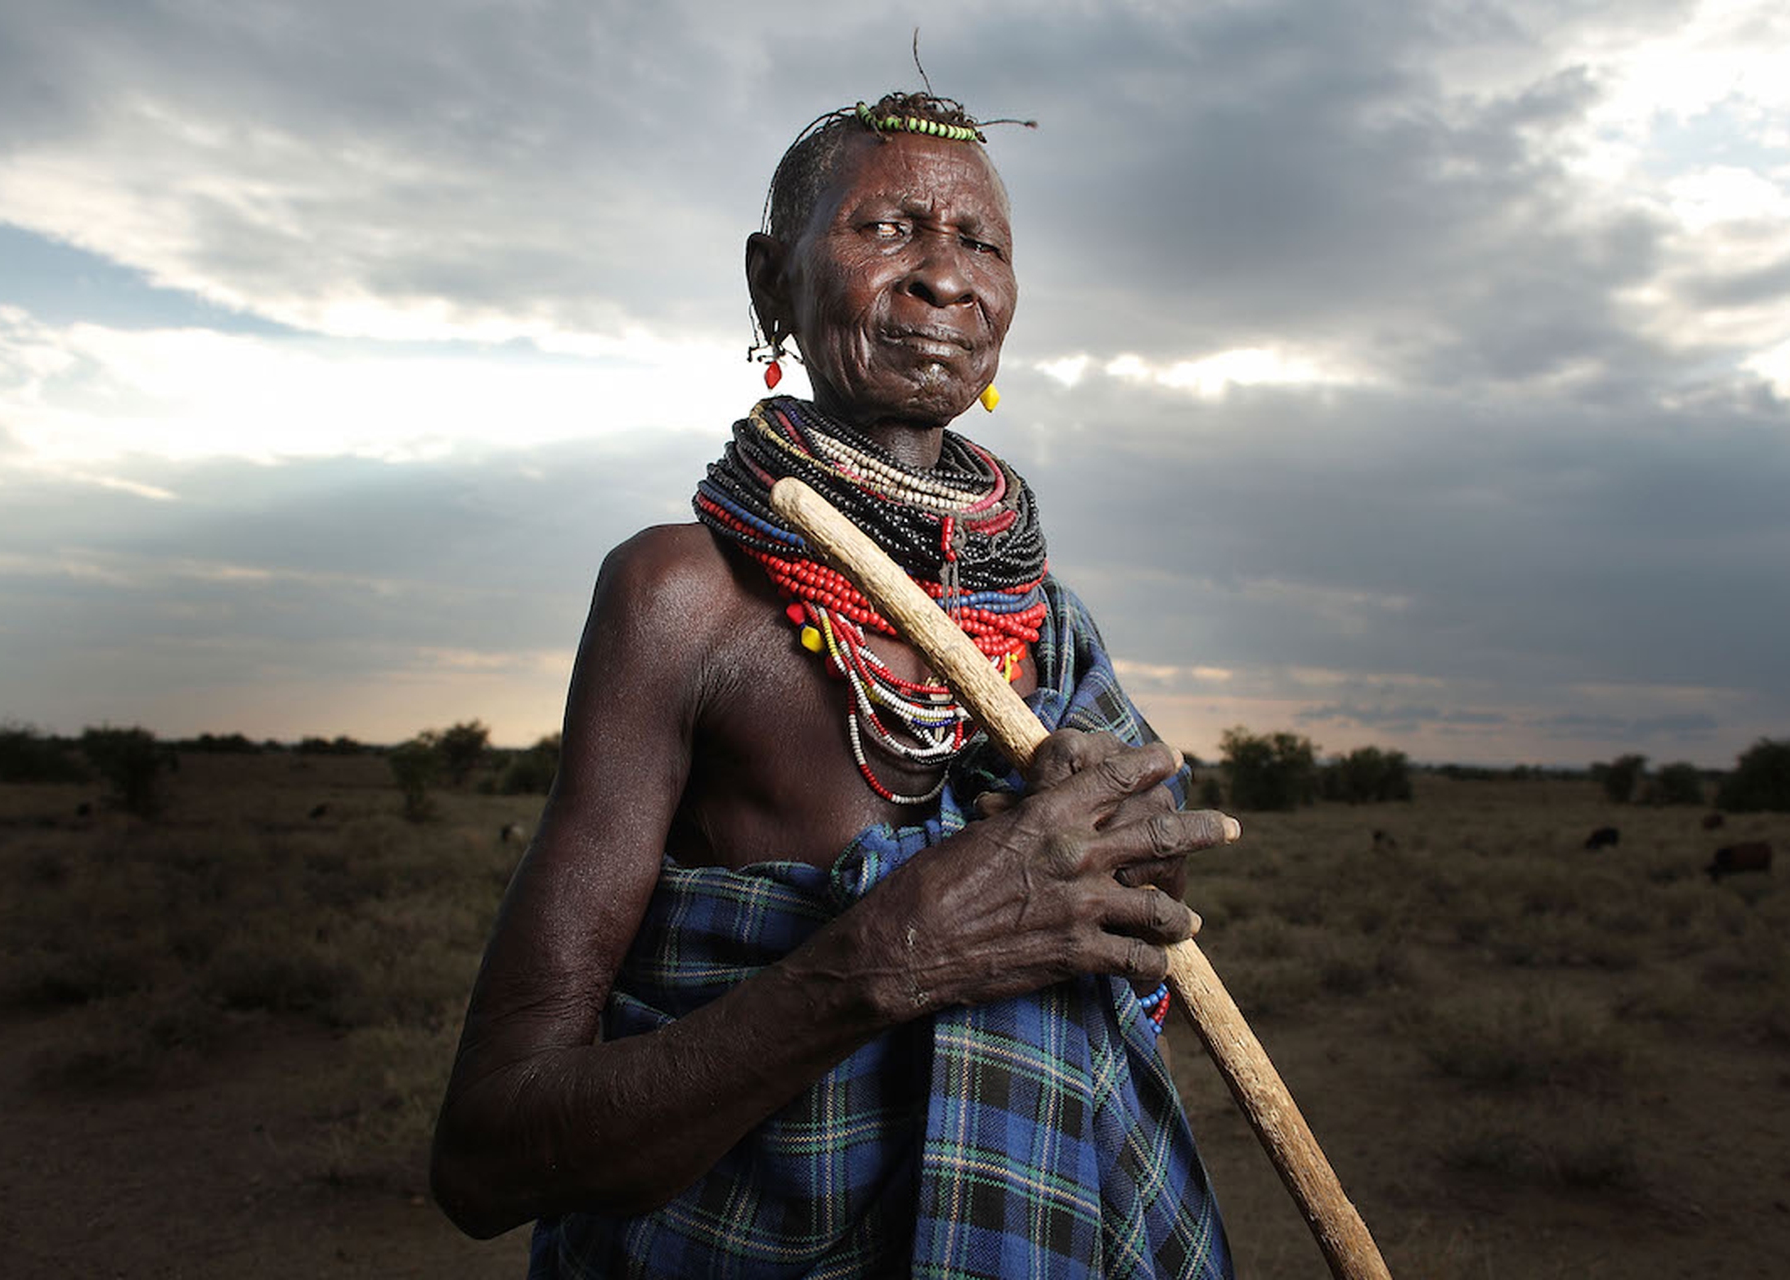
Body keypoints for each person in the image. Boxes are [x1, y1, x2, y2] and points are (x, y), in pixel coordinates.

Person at [431, 90, 1238, 1278]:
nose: (944, 278)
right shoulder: (681, 599)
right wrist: (901, 947)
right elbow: (490, 1150)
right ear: (772, 282)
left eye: (981, 243)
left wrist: (1131, 850)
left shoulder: (1048, 628)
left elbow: (1141, 931)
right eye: (888, 229)